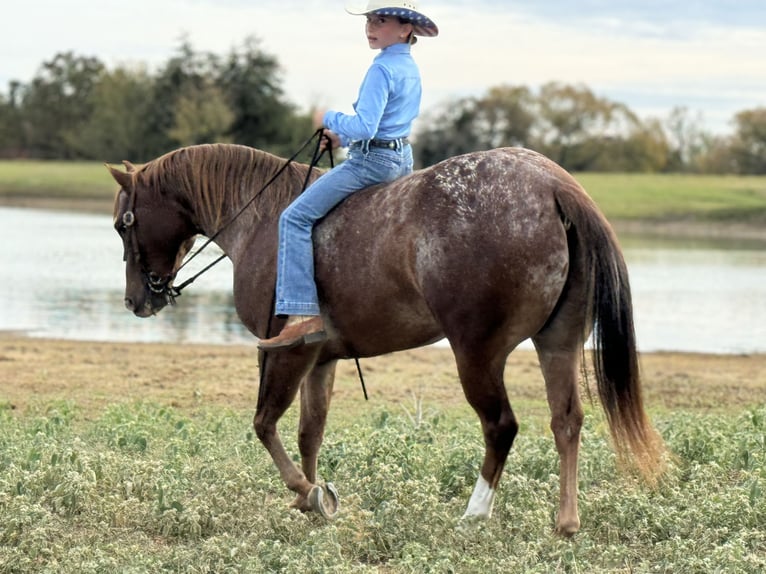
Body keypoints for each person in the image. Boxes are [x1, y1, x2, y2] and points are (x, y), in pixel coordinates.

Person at [258, 0, 439, 351]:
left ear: (406, 29)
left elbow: (366, 126)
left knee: (294, 218)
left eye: (381, 20)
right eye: (370, 20)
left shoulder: (381, 69)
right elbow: (386, 123)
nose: (371, 27)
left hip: (371, 163)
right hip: (401, 159)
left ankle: (303, 314)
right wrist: (343, 137)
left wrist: (329, 119)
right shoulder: (408, 66)